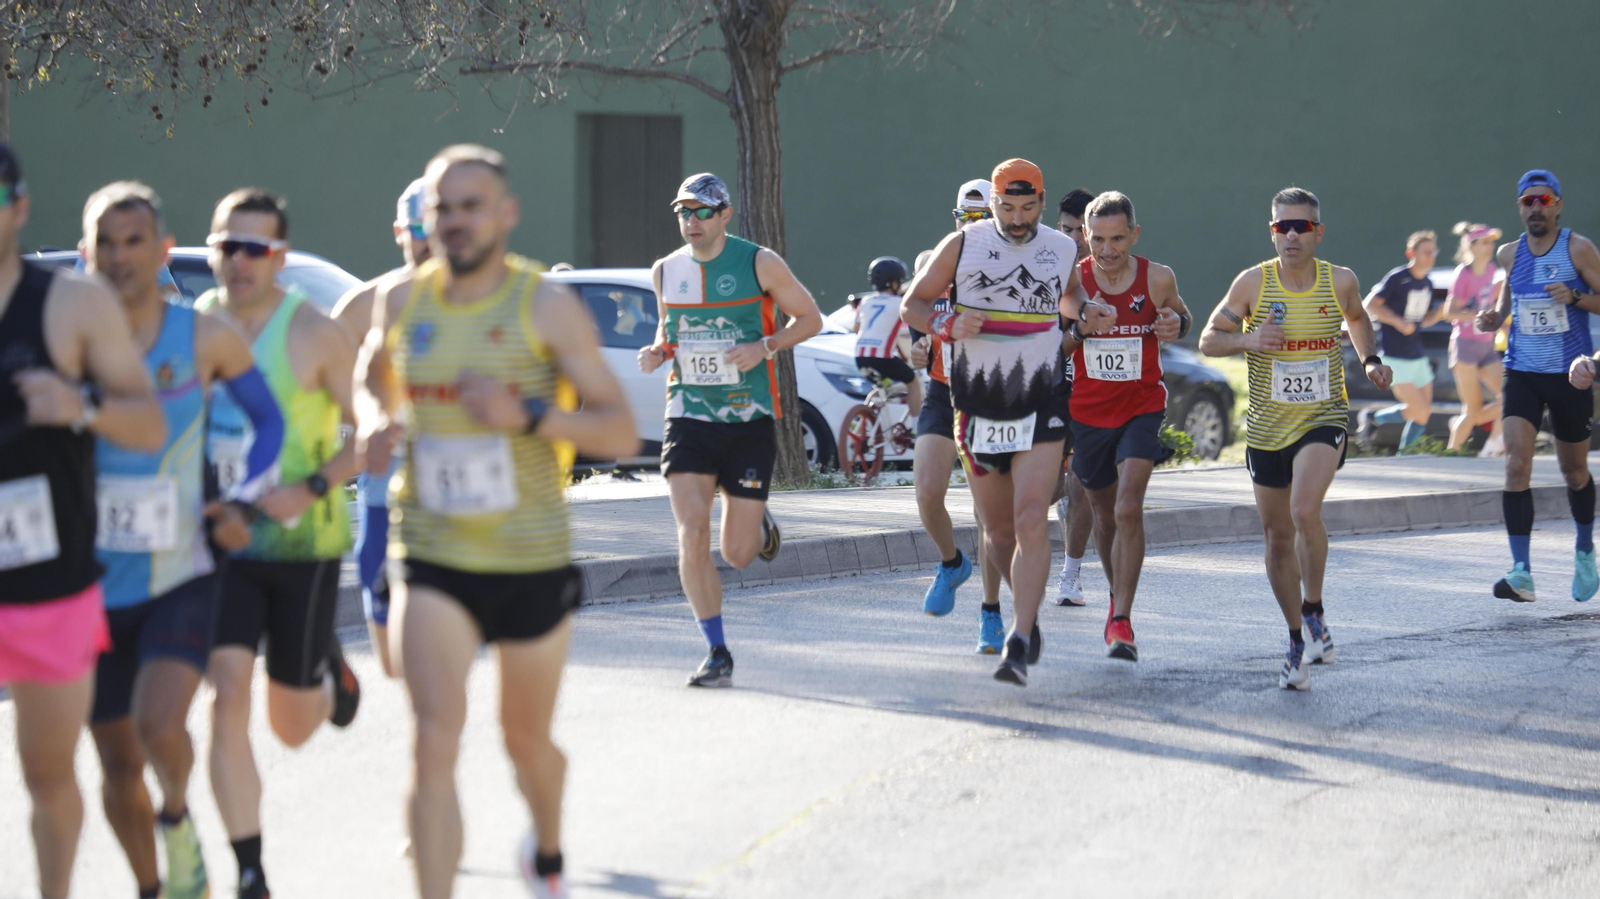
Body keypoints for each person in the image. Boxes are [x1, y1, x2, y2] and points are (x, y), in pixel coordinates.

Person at [356, 143, 637, 899]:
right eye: (442, 208)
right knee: (432, 739)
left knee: (526, 742)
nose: (454, 221)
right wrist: (377, 421)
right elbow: (372, 377)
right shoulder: (402, 301)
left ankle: (545, 850)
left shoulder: (542, 304)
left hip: (528, 556)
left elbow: (617, 430)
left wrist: (529, 413)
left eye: (470, 206)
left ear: (505, 215)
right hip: (433, 550)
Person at [80, 181, 285, 899]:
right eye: (104, 241)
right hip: (91, 582)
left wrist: (243, 500)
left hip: (183, 567)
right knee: (113, 762)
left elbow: (271, 424)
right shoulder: (63, 338)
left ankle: (177, 815)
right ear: (85, 253)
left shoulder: (202, 335)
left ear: (163, 250)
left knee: (157, 720)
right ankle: (152, 885)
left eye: (134, 240)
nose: (119, 254)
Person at [0, 145, 168, 899]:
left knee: (47, 772)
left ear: (21, 205)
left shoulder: (71, 303)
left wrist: (83, 406)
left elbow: (148, 425)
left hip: (47, 581)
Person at [197, 188, 363, 899]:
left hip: (305, 543)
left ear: (280, 258)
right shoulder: (199, 322)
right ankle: (249, 866)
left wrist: (312, 487)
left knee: (292, 726)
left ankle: (330, 669)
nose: (238, 261)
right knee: (225, 693)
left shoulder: (317, 333)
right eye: (226, 246)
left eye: (254, 249)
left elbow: (366, 436)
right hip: (227, 544)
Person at [903, 158, 1110, 687]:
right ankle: (1025, 611)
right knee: (996, 532)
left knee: (1030, 517)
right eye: (1006, 207)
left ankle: (1018, 640)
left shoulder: (1062, 247)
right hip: (976, 403)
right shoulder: (962, 244)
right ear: (992, 203)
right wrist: (948, 321)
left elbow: (1070, 297)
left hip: (1040, 399)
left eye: (1027, 207)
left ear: (1042, 203)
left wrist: (1086, 314)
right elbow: (914, 305)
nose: (1017, 219)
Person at [1200, 186, 1391, 690]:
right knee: (1276, 536)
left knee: (1305, 511)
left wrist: (1369, 360)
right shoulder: (1253, 284)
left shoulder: (1340, 281)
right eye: (1281, 226)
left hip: (1323, 418)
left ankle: (1313, 608)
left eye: (1300, 226)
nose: (1290, 234)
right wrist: (1247, 339)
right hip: (1267, 429)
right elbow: (1207, 340)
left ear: (1317, 232)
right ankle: (1295, 636)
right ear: (1271, 232)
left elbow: (1357, 319)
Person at [638, 173, 823, 688]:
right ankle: (716, 649)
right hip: (688, 415)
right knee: (691, 532)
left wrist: (763, 348)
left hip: (747, 418)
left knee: (737, 555)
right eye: (682, 212)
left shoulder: (759, 262)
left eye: (700, 211)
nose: (690, 221)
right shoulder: (665, 270)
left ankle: (756, 520)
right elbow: (669, 330)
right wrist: (658, 352)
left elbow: (810, 319)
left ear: (725, 215)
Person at [1065, 191, 1189, 661]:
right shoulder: (1072, 282)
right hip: (1089, 413)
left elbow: (1182, 314)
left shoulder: (1157, 277)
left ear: (1134, 235)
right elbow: (1054, 348)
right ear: (1085, 236)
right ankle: (1117, 597)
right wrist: (1080, 330)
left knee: (1129, 506)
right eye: (1097, 238)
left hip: (1141, 406)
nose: (1107, 249)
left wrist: (1177, 322)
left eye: (1117, 238)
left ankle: (1121, 618)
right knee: (1104, 515)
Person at [1481, 170, 1600, 603]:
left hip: (1571, 373)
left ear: (1558, 205)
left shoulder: (1577, 248)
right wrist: (1493, 318)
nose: (1536, 207)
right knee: (1516, 466)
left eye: (1543, 200)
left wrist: (1576, 298)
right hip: (1523, 373)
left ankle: (1585, 549)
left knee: (1574, 471)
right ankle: (1521, 572)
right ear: (1519, 207)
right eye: (1528, 200)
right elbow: (1508, 300)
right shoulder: (1508, 253)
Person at [332, 177, 434, 677]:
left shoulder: (494, 302)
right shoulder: (367, 304)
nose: (431, 239)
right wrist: (367, 419)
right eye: (420, 228)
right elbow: (328, 386)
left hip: (457, 491)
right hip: (385, 478)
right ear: (400, 231)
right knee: (390, 646)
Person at [908, 181, 1005, 654]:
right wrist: (920, 344)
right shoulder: (935, 263)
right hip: (944, 392)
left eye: (978, 218)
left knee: (986, 513)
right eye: (961, 219)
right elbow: (916, 322)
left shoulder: (1009, 266)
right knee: (927, 493)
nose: (969, 228)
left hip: (990, 396)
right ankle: (951, 564)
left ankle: (990, 613)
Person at [1054, 186, 1099, 607]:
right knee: (1052, 489)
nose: (1071, 238)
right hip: (1050, 391)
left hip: (1090, 396)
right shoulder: (1045, 265)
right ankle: (1061, 502)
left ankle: (1070, 577)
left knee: (1081, 486)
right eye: (1064, 228)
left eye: (1078, 231)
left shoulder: (1104, 271)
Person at [1358, 231, 1442, 451]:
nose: (1431, 256)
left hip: (1417, 354)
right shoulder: (1397, 277)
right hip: (1395, 355)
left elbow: (1422, 320)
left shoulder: (1427, 283)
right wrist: (1397, 322)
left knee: (1423, 415)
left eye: (1434, 252)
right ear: (1411, 253)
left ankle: (1405, 454)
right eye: (1426, 252)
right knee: (1419, 410)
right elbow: (1370, 305)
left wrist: (1441, 314)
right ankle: (1374, 418)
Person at [1443, 222, 1506, 453]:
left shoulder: (1491, 270)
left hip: (1487, 346)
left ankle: (1494, 445)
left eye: (1492, 241)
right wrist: (1477, 314)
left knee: (1511, 396)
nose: (1491, 246)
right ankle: (1452, 453)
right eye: (1485, 242)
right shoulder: (1463, 274)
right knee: (1472, 411)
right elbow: (1449, 313)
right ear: (1472, 245)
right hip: (1465, 346)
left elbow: (1490, 302)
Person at [852, 255, 921, 417]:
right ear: (895, 283)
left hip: (860, 358)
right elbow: (913, 323)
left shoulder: (865, 302)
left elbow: (856, 329)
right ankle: (916, 429)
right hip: (882, 359)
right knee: (913, 382)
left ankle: (865, 420)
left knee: (885, 388)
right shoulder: (899, 303)